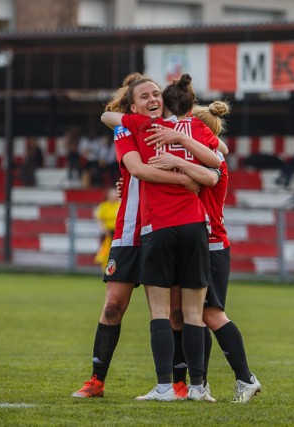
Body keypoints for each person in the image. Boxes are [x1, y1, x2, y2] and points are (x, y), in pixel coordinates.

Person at [72, 72, 214, 399]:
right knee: (112, 307)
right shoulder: (128, 128)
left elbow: (213, 147)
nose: (153, 100)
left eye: (156, 95)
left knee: (177, 310)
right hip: (129, 229)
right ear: (133, 105)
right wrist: (183, 180)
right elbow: (135, 166)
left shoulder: (176, 129)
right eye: (144, 96)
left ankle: (179, 383)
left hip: (166, 224)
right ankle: (97, 380)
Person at [150, 100, 262, 403]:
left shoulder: (210, 165)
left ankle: (245, 378)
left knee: (211, 314)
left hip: (210, 244)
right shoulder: (208, 157)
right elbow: (218, 149)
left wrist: (170, 160)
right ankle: (200, 384)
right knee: (194, 315)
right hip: (203, 244)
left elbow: (199, 178)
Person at [93, 188, 121, 271]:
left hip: (118, 232)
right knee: (106, 253)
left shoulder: (119, 205)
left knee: (117, 253)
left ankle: (116, 270)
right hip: (108, 232)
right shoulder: (104, 206)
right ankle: (106, 270)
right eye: (112, 193)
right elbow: (99, 219)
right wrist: (105, 230)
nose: (114, 195)